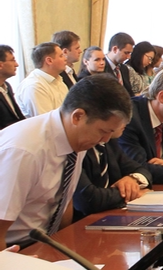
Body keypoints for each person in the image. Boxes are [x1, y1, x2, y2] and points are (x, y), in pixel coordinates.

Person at [0, 75, 132, 247]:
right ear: (78, 116)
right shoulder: (24, 151)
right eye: (103, 131)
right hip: (14, 247)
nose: (105, 140)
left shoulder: (75, 139)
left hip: (45, 241)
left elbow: (64, 200)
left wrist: (64, 251)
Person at [72, 138, 151, 220]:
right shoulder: (77, 147)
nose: (106, 138)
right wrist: (131, 192)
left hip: (110, 215)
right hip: (83, 221)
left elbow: (141, 169)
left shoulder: (109, 142)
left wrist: (133, 178)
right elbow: (87, 199)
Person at [15, 42, 69, 117]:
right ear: (49, 61)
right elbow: (46, 121)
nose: (65, 58)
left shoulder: (59, 81)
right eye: (61, 56)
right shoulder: (34, 86)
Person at [0, 45, 25, 131]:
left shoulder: (7, 86)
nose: (17, 65)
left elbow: (17, 117)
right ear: (0, 65)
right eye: (12, 60)